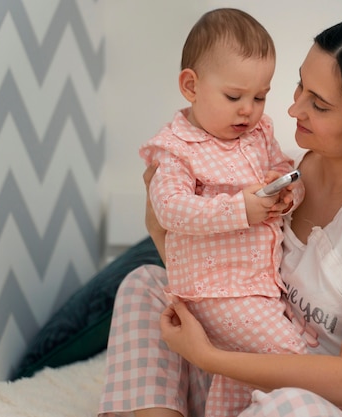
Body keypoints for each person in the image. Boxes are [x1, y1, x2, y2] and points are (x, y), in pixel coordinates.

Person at [100, 13, 342, 417]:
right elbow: (223, 281)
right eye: (299, 85)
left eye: (319, 104)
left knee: (287, 407)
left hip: (335, 404)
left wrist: (207, 358)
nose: (294, 109)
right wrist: (161, 229)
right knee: (145, 287)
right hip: (255, 368)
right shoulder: (280, 180)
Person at [134, 8, 309, 417]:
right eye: (234, 97)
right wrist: (240, 210)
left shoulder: (259, 133)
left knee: (249, 373)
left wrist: (286, 193)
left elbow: (283, 169)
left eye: (260, 96)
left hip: (257, 287)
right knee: (292, 360)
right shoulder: (177, 148)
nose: (248, 110)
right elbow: (170, 209)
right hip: (215, 290)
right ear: (191, 86)